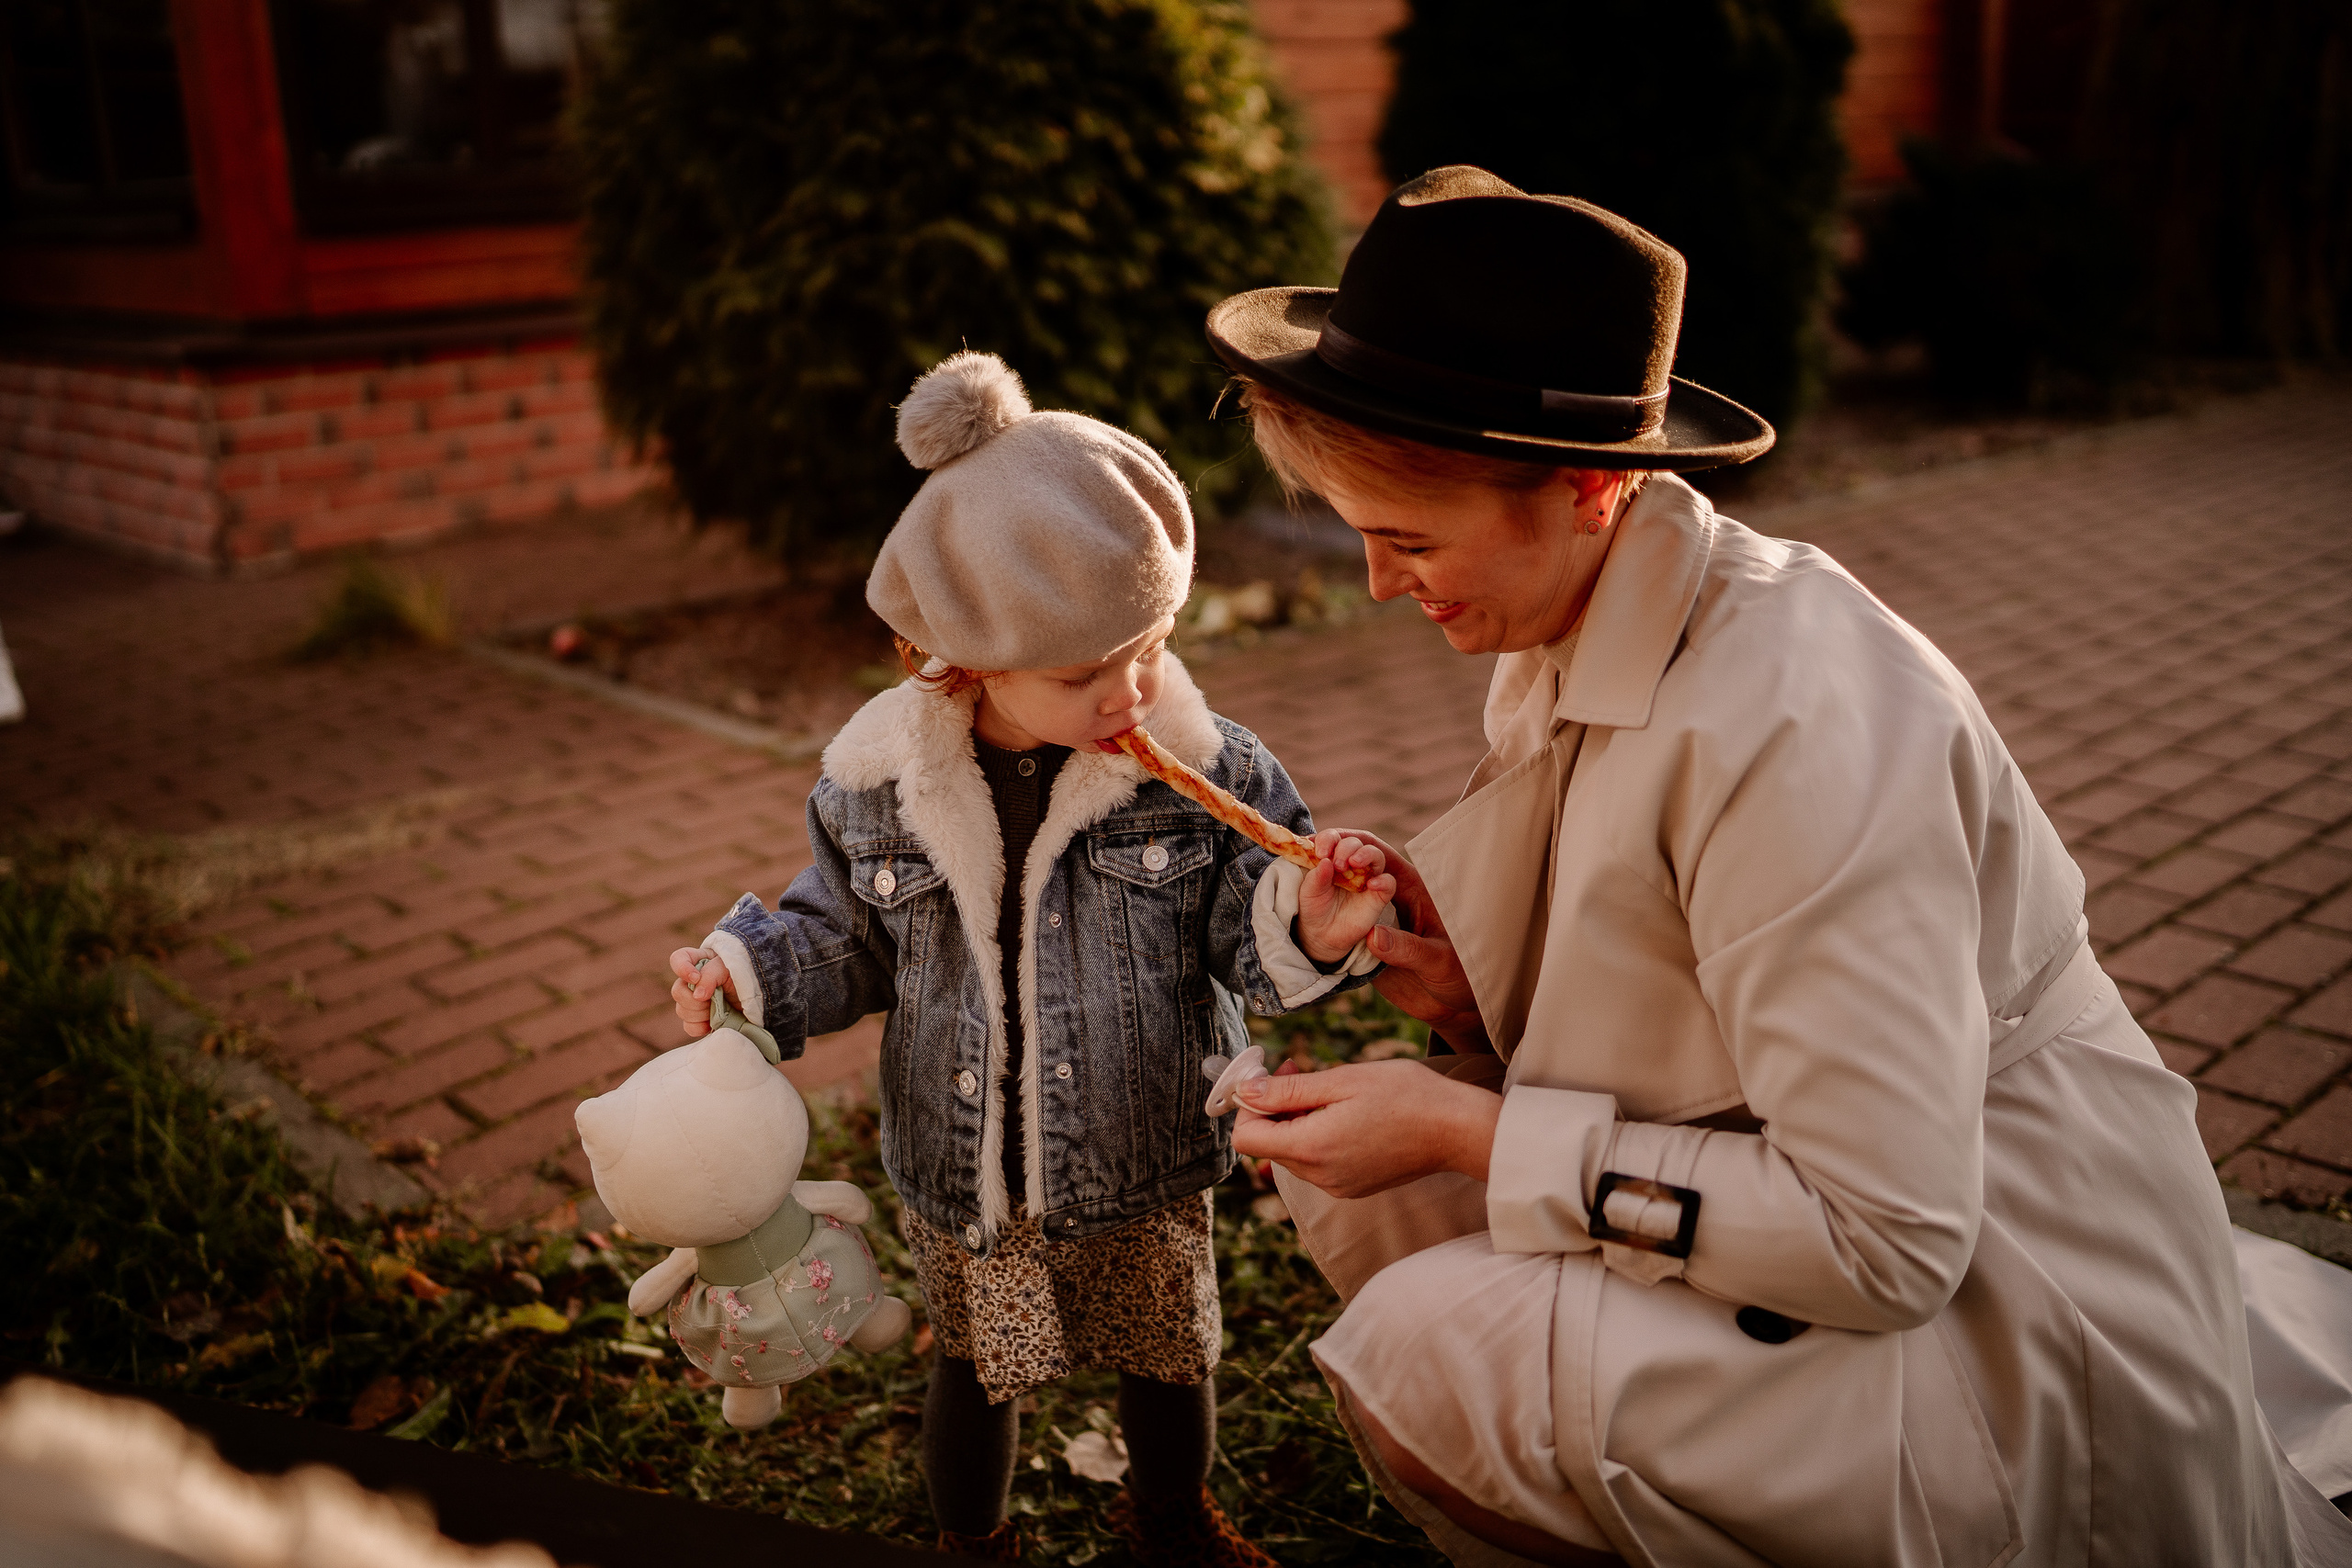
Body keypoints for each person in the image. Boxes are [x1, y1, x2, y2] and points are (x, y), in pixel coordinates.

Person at [1208, 165, 2352, 1566]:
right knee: (1368, 1184)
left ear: (1586, 486)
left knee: (1432, 1347)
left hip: (2004, 1278)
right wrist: (1473, 1000)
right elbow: (1699, 987)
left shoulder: (1801, 719)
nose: (1382, 586)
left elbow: (1889, 1239)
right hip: (1828, 1190)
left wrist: (1470, 1130)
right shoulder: (1577, 608)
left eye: (1408, 540)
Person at [662, 352, 1396, 1565]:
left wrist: (1311, 921)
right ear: (962, 659)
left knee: (1169, 1357)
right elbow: (843, 938)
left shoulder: (1201, 776)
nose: (1131, 692)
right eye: (1082, 673)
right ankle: (975, 1539)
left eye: (1150, 646)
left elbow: (1244, 926)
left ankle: (1170, 1517)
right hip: (974, 1173)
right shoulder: (883, 794)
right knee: (975, 1373)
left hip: (1141, 1149)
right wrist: (749, 971)